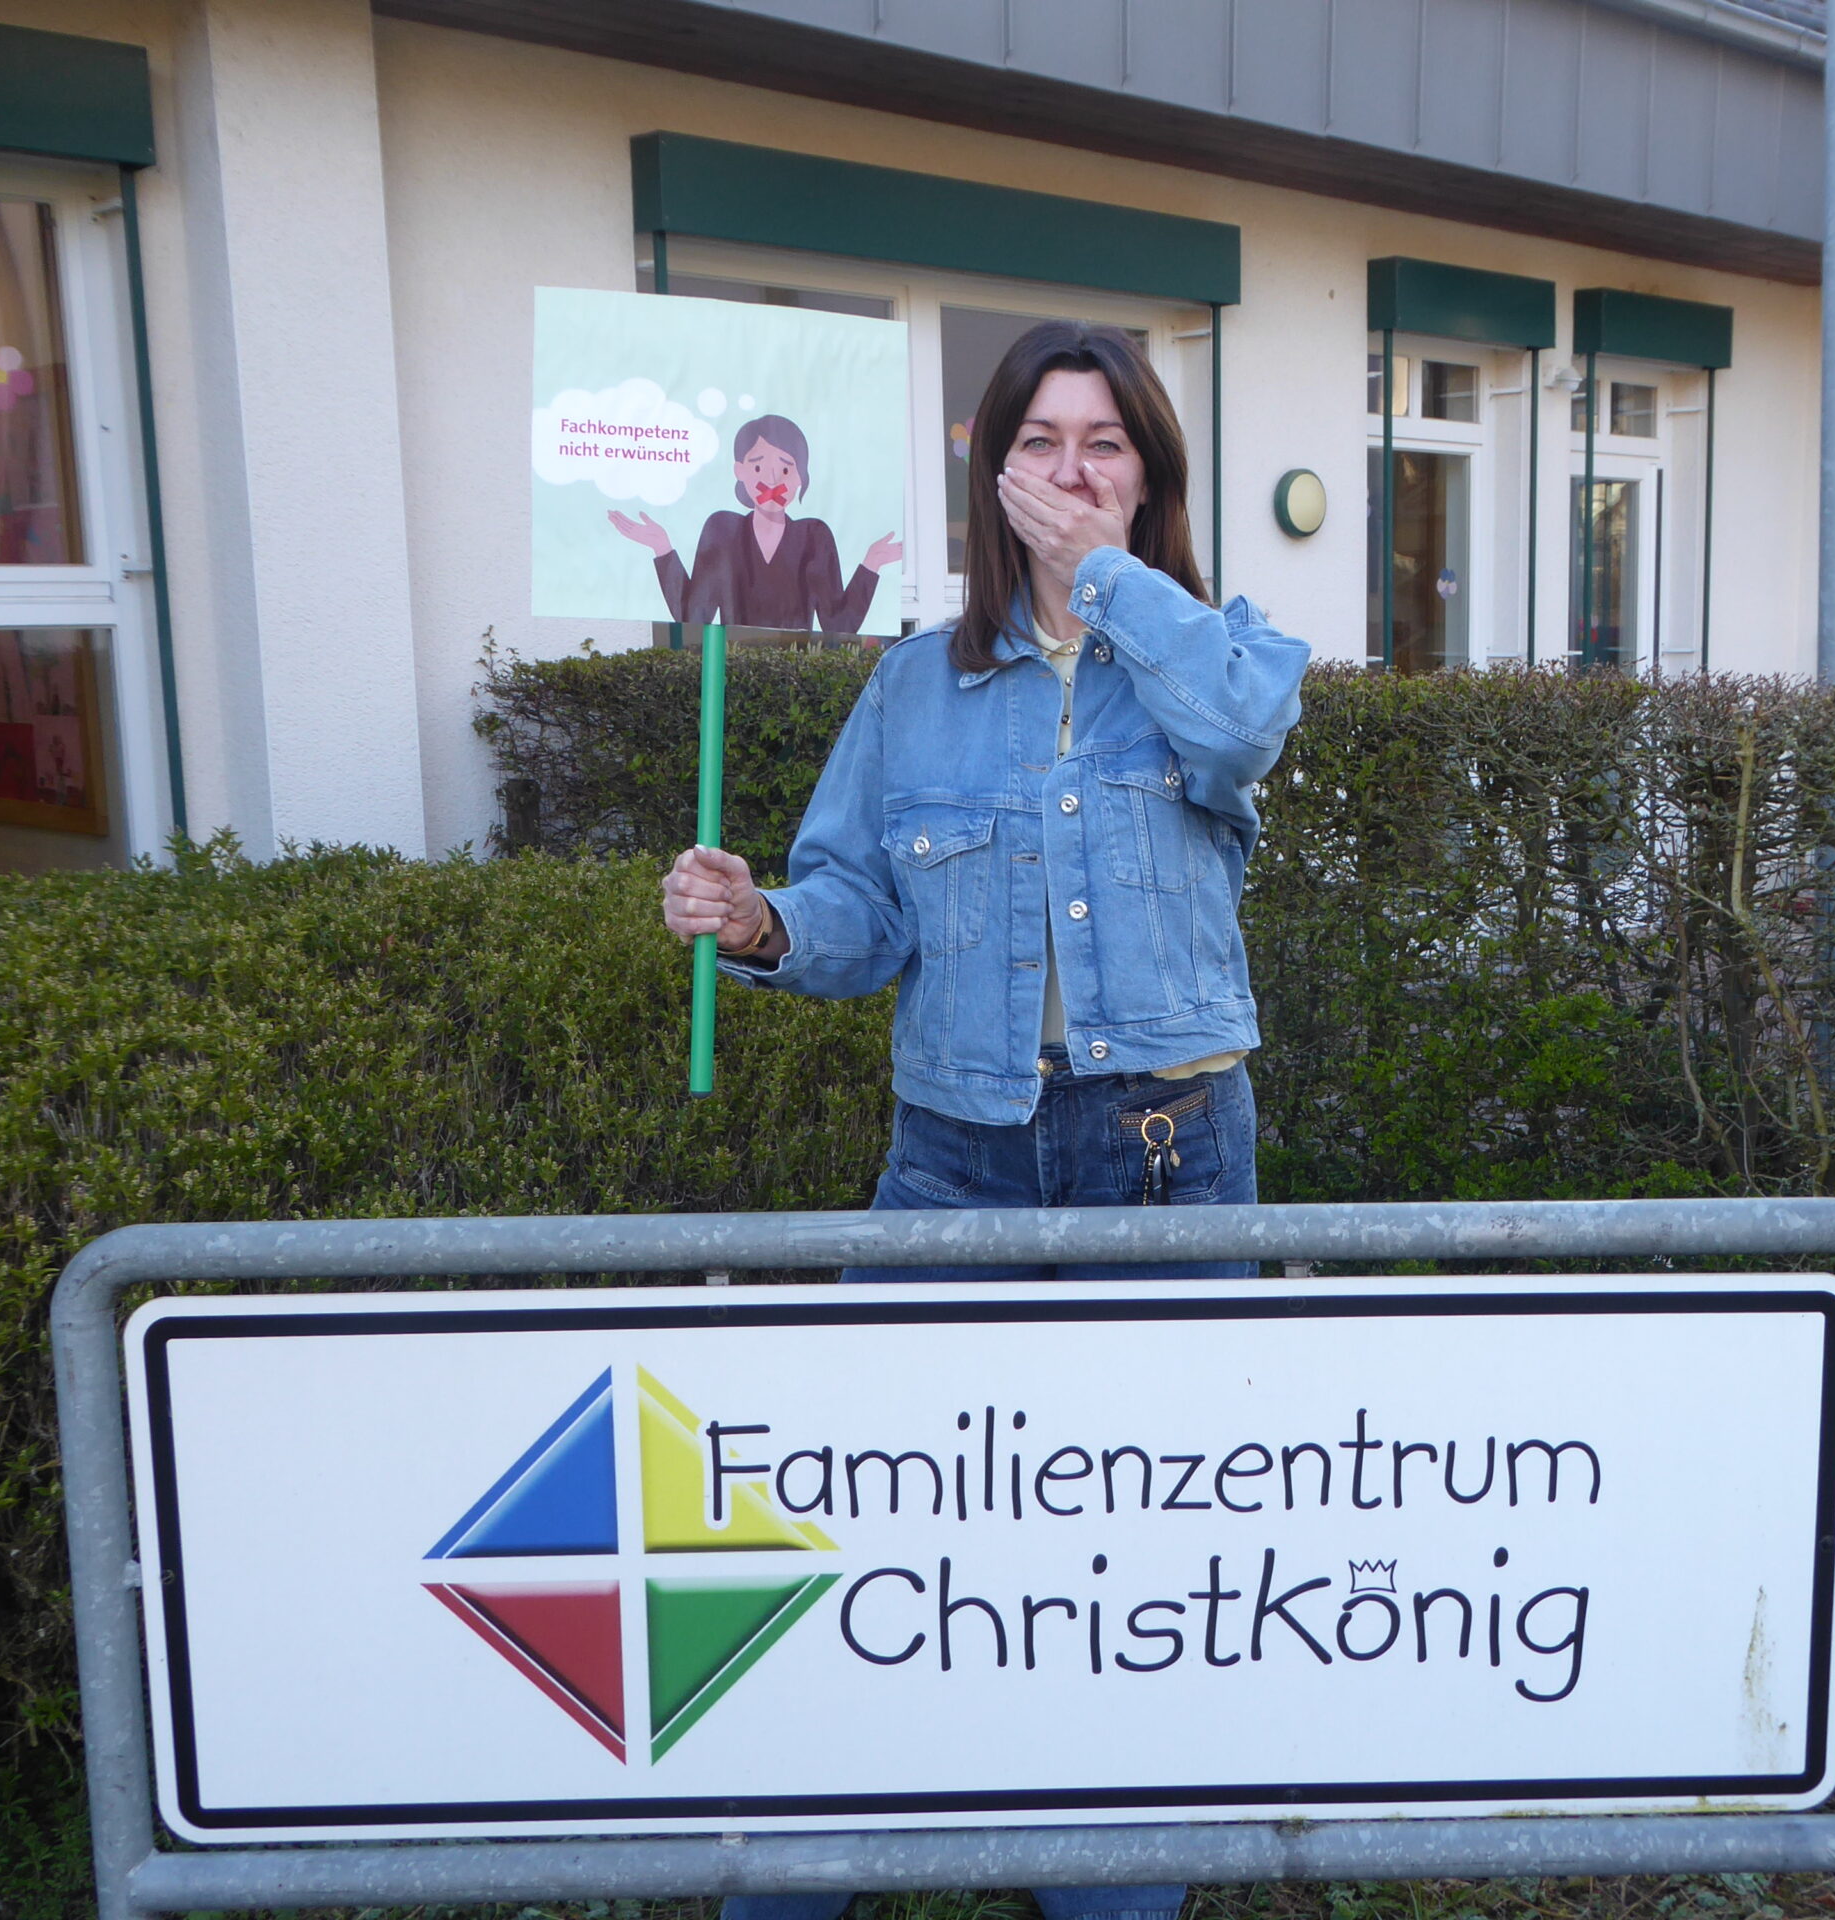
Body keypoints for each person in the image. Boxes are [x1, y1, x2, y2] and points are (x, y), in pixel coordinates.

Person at [660, 321, 1311, 1920]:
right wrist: (762, 922)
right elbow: (863, 911)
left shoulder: (1217, 655)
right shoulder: (915, 688)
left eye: (1105, 444)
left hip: (1170, 1166)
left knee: (1151, 1547)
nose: (1070, 472)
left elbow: (1243, 731)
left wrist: (1108, 579)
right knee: (873, 1524)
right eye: (1039, 443)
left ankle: (1107, 1877)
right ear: (992, 470)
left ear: (1148, 477)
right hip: (955, 1160)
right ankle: (811, 1866)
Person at [611, 413, 904, 631]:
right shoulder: (722, 529)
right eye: (759, 466)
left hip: (795, 673)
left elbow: (839, 623)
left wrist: (871, 564)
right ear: (740, 471)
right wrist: (662, 549)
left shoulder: (814, 536)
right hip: (732, 670)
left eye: (786, 469)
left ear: (801, 477)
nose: (772, 479)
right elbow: (694, 616)